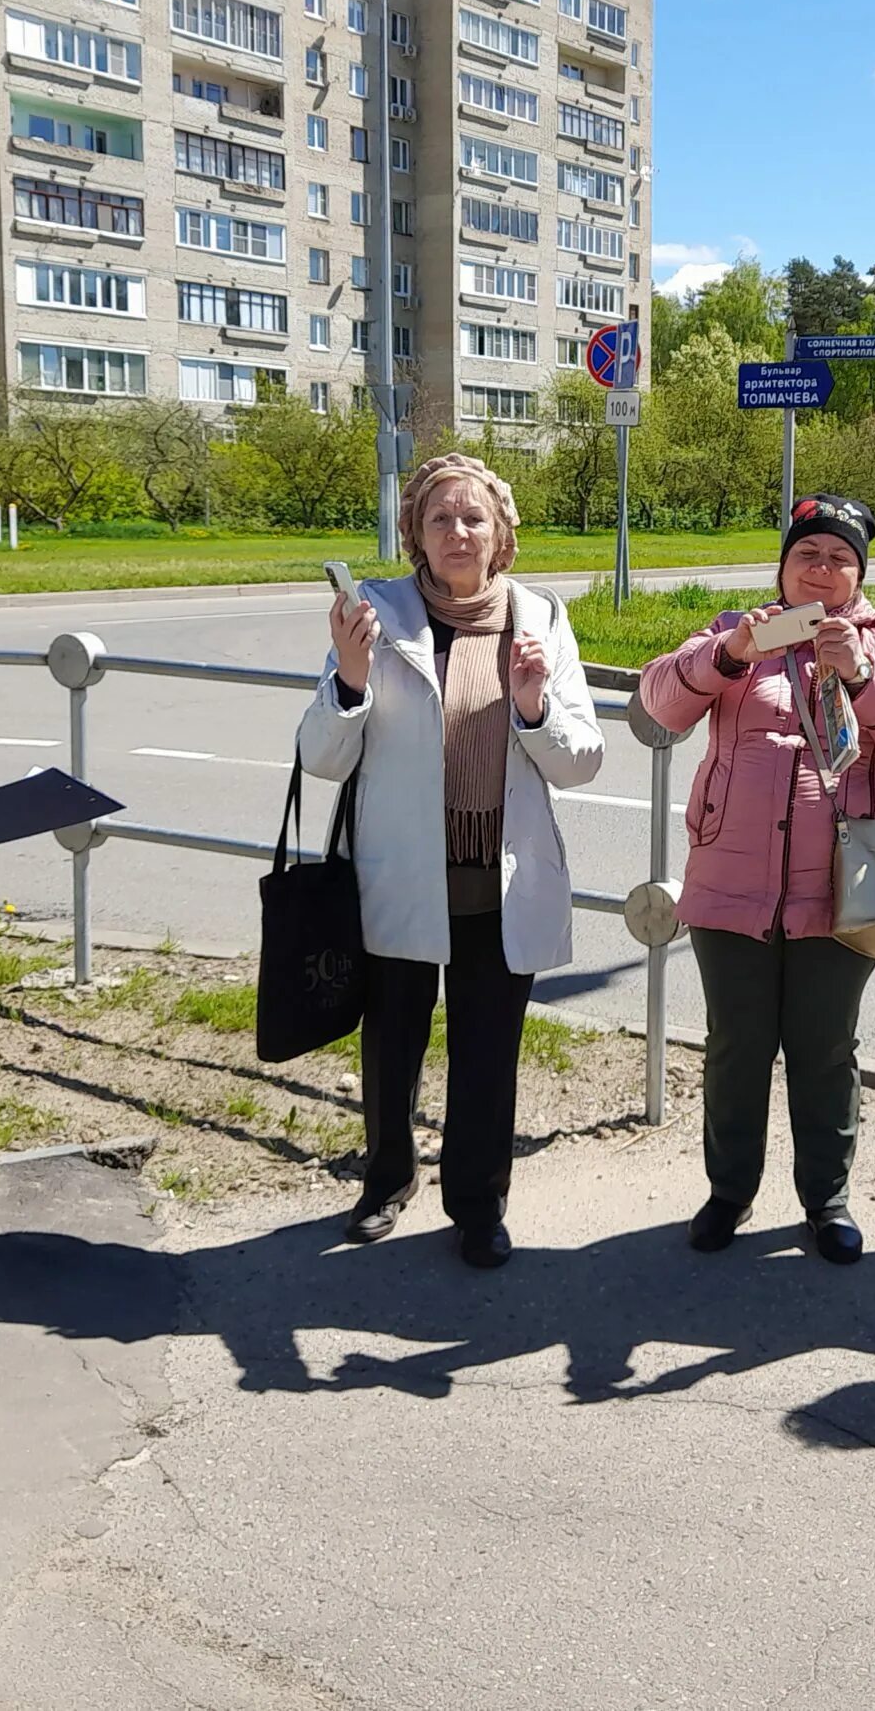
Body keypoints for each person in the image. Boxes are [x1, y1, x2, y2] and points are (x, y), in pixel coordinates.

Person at [299, 454, 604, 1268]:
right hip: (401, 872)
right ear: (415, 535)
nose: (459, 531)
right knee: (391, 1037)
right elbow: (319, 756)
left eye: (475, 517)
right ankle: (385, 1180)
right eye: (440, 519)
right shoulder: (375, 614)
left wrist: (535, 706)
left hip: (497, 880)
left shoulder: (539, 616)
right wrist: (352, 679)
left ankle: (477, 1203)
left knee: (487, 1048)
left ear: (502, 533)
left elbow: (582, 760)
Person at [637, 493, 875, 1263]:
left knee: (825, 1048)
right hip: (729, 882)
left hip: (843, 890)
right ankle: (729, 1192)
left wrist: (863, 673)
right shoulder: (736, 632)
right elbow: (660, 701)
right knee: (736, 1046)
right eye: (808, 553)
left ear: (858, 574)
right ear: (784, 565)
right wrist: (729, 655)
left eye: (840, 557)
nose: (823, 568)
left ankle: (827, 1199)